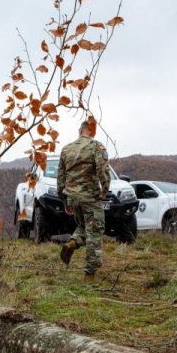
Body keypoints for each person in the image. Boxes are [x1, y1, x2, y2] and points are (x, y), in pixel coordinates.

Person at [56, 119, 110, 279]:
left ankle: (71, 243)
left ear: (79, 131)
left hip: (72, 197)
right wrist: (104, 190)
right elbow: (103, 170)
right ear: (91, 131)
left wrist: (64, 200)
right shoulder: (96, 146)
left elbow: (60, 177)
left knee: (83, 226)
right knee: (94, 231)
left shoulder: (66, 149)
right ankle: (90, 275)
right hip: (89, 197)